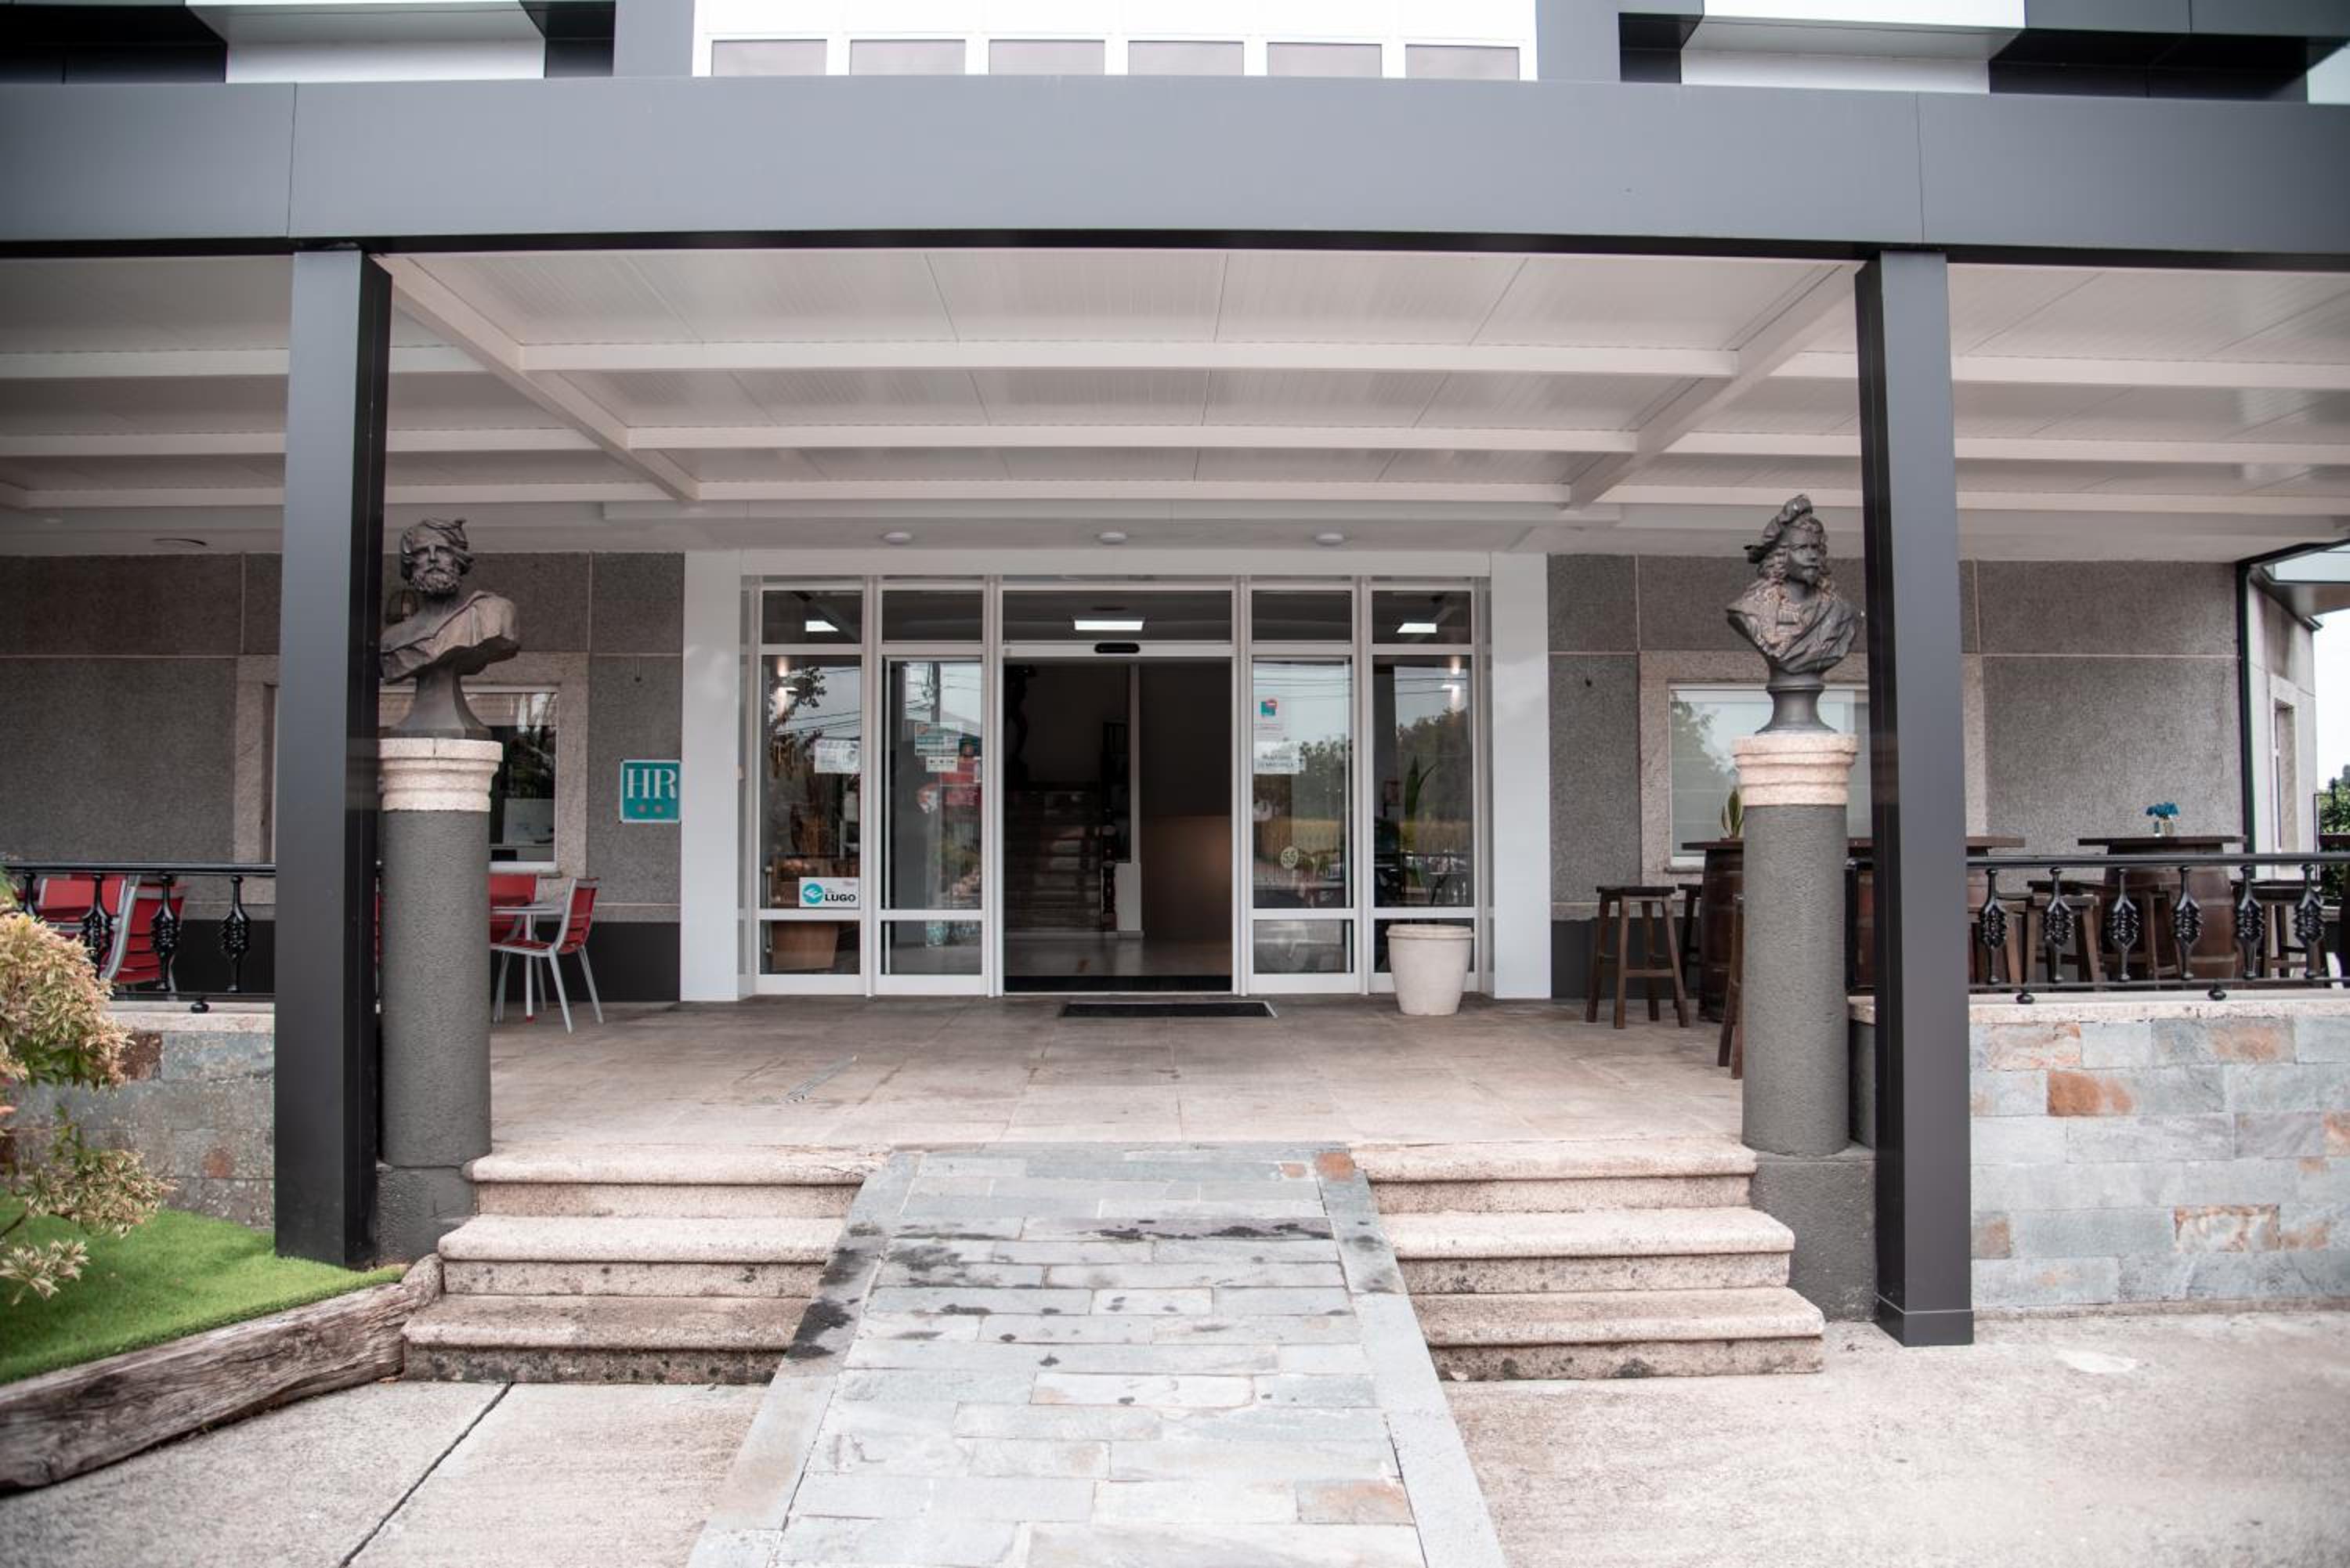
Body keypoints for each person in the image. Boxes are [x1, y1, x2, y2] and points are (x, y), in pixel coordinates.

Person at [381, 517, 520, 736]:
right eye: (422, 552)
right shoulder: (392, 639)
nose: (433, 558)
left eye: (443, 550)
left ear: (458, 558)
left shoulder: (493, 612)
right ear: (410, 563)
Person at [1726, 495, 1858, 677]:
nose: (1812, 556)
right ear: (1780, 557)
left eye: (1815, 548)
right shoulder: (1750, 610)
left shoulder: (1841, 611)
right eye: (1801, 548)